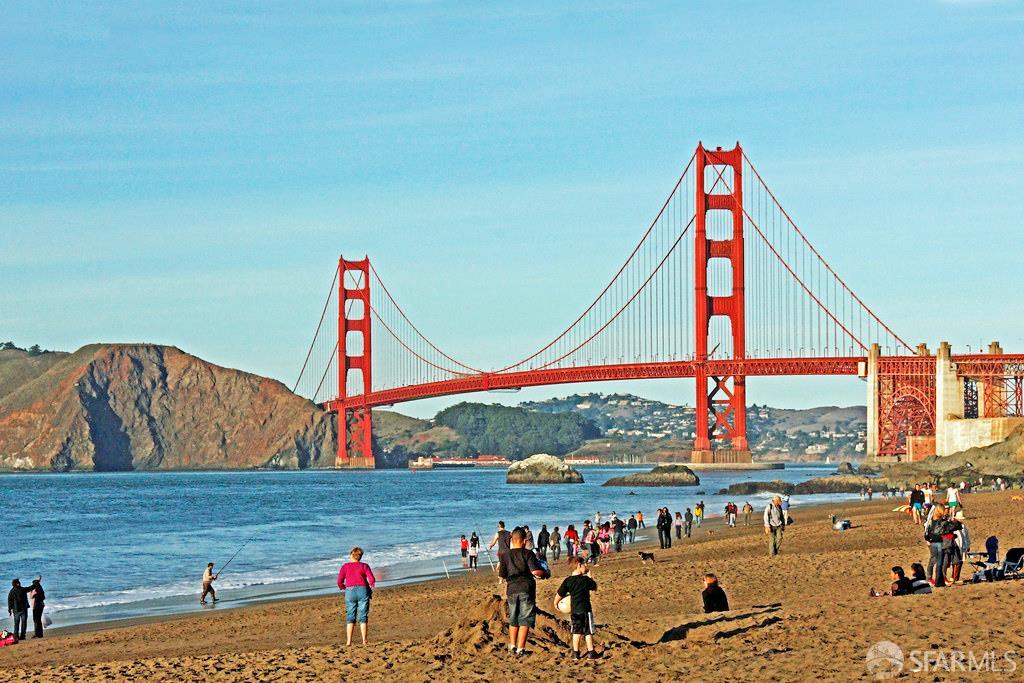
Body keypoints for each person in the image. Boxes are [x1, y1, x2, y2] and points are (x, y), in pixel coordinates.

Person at [498, 527, 549, 656]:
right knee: (524, 620)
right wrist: (545, 573)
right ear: (524, 540)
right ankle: (521, 649)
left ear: (512, 540)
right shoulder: (528, 554)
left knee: (513, 619)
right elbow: (535, 572)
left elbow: (502, 575)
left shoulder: (505, 555)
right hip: (526, 588)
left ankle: (512, 646)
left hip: (511, 590)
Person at [555, 557, 599, 660]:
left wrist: (555, 603)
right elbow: (595, 587)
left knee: (576, 632)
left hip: (574, 611)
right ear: (579, 565)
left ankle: (575, 653)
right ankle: (591, 652)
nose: (586, 566)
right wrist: (590, 577)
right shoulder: (585, 580)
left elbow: (560, 593)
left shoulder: (568, 581)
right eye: (584, 564)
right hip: (586, 610)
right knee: (588, 632)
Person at [337, 547, 376, 645]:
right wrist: (371, 584)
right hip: (363, 590)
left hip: (350, 591)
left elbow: (339, 581)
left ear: (351, 555)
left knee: (350, 615)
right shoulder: (364, 566)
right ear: (360, 556)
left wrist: (342, 587)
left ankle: (349, 641)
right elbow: (371, 579)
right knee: (363, 615)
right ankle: (364, 640)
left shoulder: (345, 566)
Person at [951, 511, 970, 583]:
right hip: (956, 545)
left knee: (960, 562)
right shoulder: (953, 526)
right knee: (956, 562)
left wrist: (968, 545)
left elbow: (966, 536)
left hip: (963, 545)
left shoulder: (963, 526)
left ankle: (956, 577)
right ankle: (954, 577)